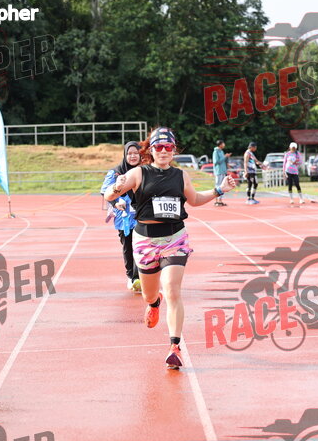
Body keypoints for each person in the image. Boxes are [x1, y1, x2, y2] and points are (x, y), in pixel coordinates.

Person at [105, 127, 237, 369]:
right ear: (151, 150)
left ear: (174, 150)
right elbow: (108, 197)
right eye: (158, 147)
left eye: (168, 147)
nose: (163, 151)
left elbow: (194, 199)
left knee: (172, 290)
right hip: (145, 240)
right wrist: (116, 187)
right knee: (149, 294)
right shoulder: (138, 173)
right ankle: (154, 304)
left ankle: (174, 347)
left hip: (175, 238)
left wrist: (219, 190)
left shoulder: (180, 175)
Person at [100, 141, 141, 292]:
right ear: (125, 155)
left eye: (136, 153)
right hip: (125, 216)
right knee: (128, 246)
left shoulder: (145, 171)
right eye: (129, 153)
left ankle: (139, 277)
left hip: (143, 215)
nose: (133, 156)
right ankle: (131, 276)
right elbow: (105, 191)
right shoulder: (116, 172)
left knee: (142, 246)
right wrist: (116, 202)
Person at [212, 140, 231, 206]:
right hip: (218, 171)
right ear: (220, 144)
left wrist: (226, 157)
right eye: (223, 143)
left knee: (222, 186)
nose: (224, 145)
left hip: (223, 171)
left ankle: (220, 200)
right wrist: (225, 156)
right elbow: (216, 162)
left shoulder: (221, 151)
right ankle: (217, 200)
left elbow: (223, 160)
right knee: (218, 185)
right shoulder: (216, 152)